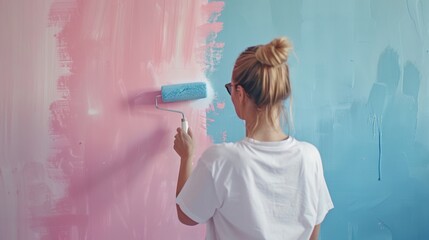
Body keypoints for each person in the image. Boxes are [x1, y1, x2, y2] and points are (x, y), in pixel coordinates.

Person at [173, 37, 334, 240]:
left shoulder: (221, 160)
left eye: (231, 89)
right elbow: (313, 233)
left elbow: (186, 215)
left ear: (240, 93)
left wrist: (186, 157)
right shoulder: (310, 157)